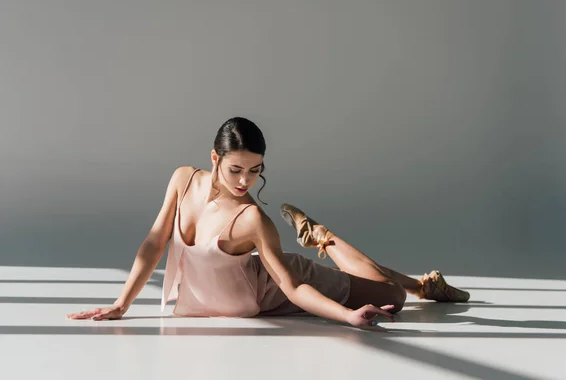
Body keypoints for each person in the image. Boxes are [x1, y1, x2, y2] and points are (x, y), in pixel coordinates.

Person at [67, 117, 469, 328]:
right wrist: (122, 304)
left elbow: (292, 287)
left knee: (392, 298)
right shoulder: (183, 179)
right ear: (214, 158)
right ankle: (422, 284)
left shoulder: (253, 219)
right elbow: (155, 242)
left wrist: (347, 317)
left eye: (256, 171)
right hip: (247, 287)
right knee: (395, 292)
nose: (246, 182)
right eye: (236, 170)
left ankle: (323, 239)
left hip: (273, 286)